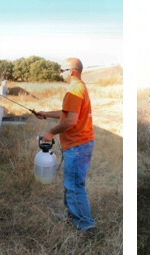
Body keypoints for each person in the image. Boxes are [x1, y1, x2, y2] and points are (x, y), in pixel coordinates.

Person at [36, 57, 96, 235]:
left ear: (72, 71)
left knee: (75, 185)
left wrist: (51, 132)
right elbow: (68, 114)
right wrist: (46, 114)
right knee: (71, 184)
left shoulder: (75, 90)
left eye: (62, 70)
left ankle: (86, 226)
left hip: (78, 145)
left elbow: (70, 121)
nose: (59, 72)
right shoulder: (77, 88)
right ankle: (73, 217)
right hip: (79, 144)